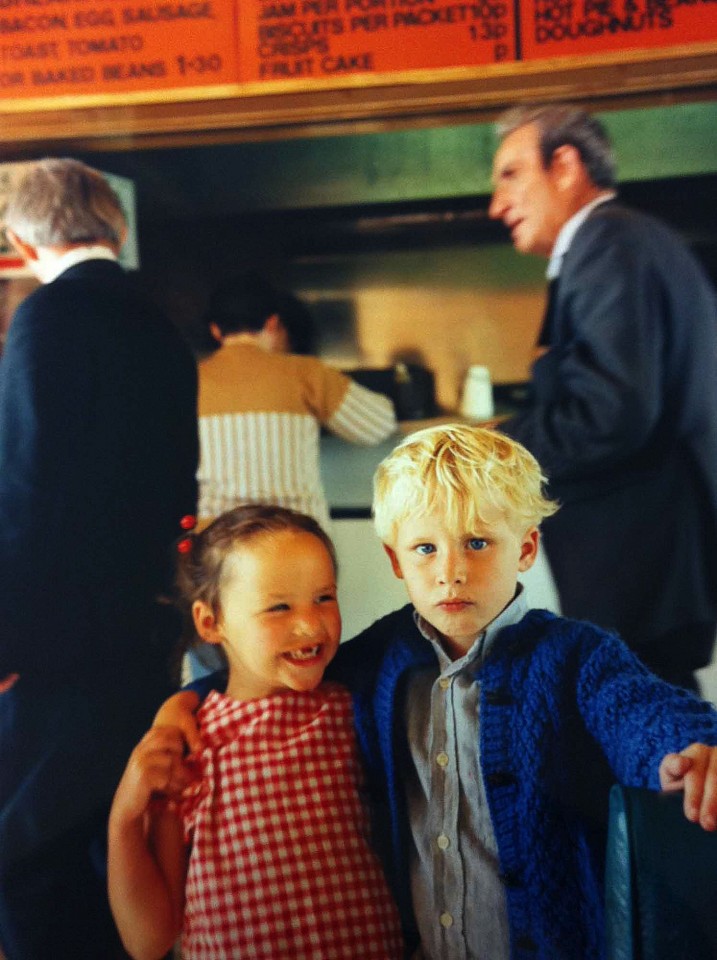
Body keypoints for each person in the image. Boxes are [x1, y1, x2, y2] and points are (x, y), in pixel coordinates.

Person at [160, 424, 717, 960]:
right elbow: (287, 670)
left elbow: (642, 711)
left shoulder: (575, 654)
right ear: (395, 559)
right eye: (425, 548)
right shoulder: (382, 656)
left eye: (477, 542)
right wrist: (185, 702)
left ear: (525, 549)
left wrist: (692, 746)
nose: (451, 571)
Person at [0, 158, 198, 959]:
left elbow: (26, 487)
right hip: (142, 629)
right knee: (114, 837)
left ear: (19, 237)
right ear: (112, 224)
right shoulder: (161, 322)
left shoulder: (44, 318)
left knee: (27, 854)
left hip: (55, 636)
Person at [488, 102, 717, 692]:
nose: (497, 204)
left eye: (510, 175)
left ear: (564, 165)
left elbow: (609, 415)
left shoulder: (606, 244)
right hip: (649, 569)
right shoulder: (623, 243)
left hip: (638, 567)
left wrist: (491, 446)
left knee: (654, 756)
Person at [108, 504, 403, 960]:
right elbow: (149, 941)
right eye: (278, 607)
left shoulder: (355, 708)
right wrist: (125, 817)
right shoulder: (188, 749)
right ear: (212, 623)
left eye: (324, 597)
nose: (309, 624)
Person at [196, 270, 397, 531]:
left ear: (215, 330)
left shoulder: (192, 380)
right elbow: (377, 425)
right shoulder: (305, 373)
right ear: (272, 323)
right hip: (296, 536)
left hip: (219, 538)